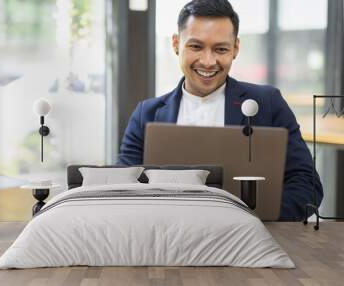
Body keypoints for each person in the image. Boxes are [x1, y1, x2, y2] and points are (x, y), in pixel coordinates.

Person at [117, 0, 323, 221]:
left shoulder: (268, 103)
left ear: (235, 48)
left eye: (221, 49)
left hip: (248, 240)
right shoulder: (145, 114)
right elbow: (122, 187)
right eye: (196, 46)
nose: (208, 61)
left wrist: (256, 220)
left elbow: (307, 183)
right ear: (176, 44)